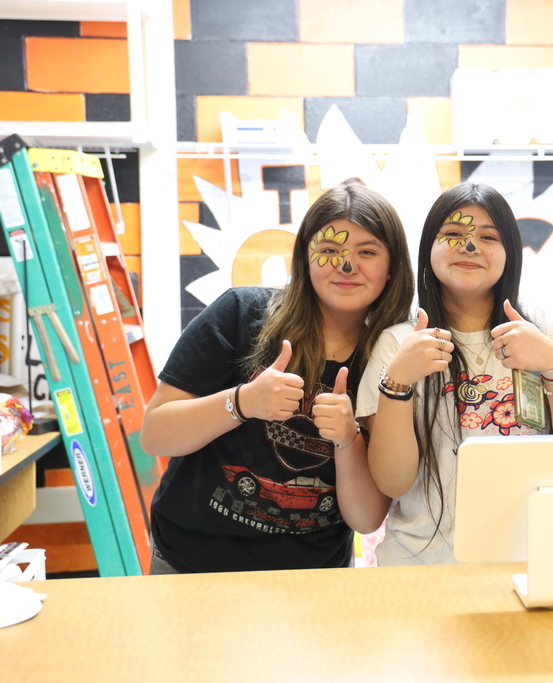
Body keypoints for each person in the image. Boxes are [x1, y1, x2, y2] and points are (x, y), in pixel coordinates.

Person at [140, 183, 414, 573]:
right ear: (304, 258)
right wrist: (241, 403)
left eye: (367, 252)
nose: (347, 265)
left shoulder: (389, 357)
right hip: (192, 565)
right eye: (329, 250)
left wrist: (348, 439)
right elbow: (155, 434)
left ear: (391, 270)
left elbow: (367, 519)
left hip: (311, 579)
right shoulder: (241, 314)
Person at [356, 182, 553, 566]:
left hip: (537, 564)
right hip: (421, 571)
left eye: (488, 236)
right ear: (429, 248)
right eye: (454, 234)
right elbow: (393, 482)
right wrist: (398, 383)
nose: (470, 247)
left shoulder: (552, 323)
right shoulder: (398, 342)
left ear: (510, 250)